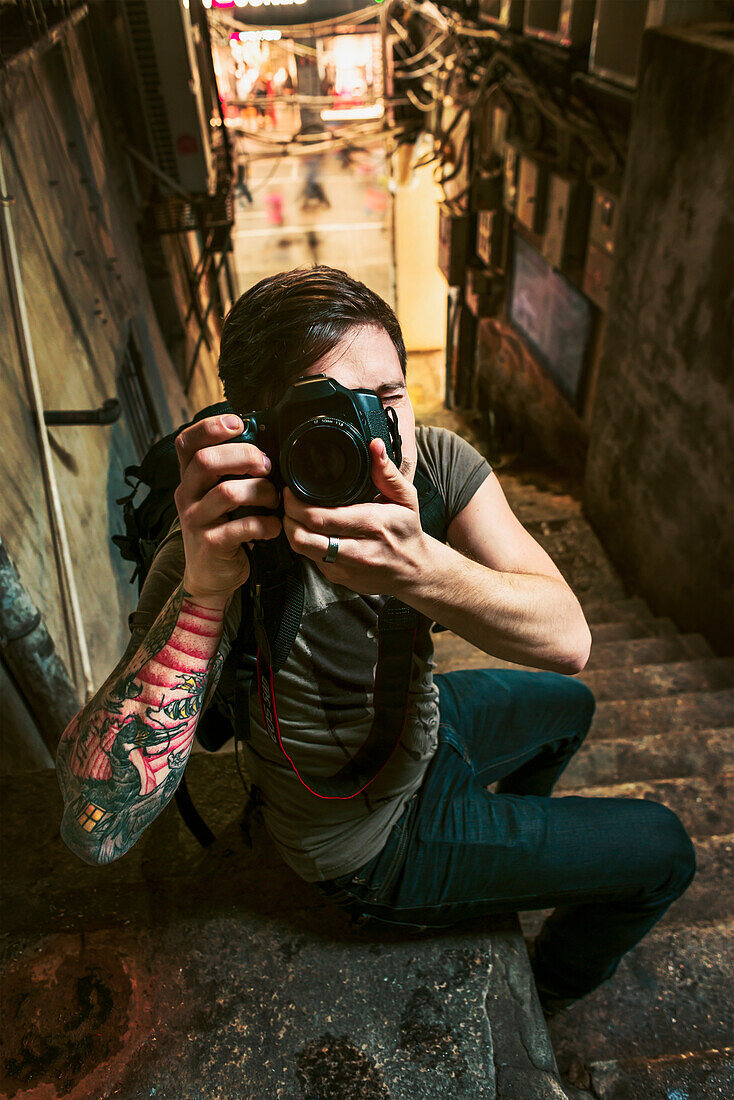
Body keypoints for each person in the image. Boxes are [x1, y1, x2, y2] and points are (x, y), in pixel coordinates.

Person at [56, 267, 695, 1015]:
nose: (374, 440)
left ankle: (511, 864)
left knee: (567, 708)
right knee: (664, 849)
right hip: (360, 846)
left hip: (418, 735)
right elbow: (95, 831)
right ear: (259, 430)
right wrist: (204, 590)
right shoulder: (225, 538)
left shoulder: (436, 462)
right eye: (325, 414)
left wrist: (423, 568)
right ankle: (546, 992)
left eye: (387, 400)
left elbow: (568, 637)